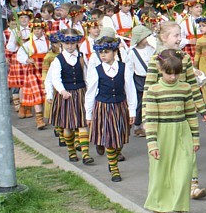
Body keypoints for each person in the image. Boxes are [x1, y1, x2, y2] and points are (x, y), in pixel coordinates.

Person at [145, 21, 206, 199]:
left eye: (180, 35)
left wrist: (202, 109)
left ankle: (193, 186)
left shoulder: (184, 58)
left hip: (182, 112)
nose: (180, 38)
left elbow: (192, 85)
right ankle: (166, 190)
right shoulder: (156, 59)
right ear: (164, 38)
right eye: (176, 35)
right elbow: (149, 88)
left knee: (189, 149)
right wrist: (146, 116)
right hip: (163, 116)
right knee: (166, 156)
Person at [143, 49, 200, 213]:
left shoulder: (185, 88)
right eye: (169, 73)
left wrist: (195, 138)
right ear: (160, 69)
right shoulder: (154, 90)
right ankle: (160, 203)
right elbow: (150, 119)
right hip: (162, 134)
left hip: (182, 132)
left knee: (183, 173)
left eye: (177, 73)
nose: (173, 77)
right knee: (161, 172)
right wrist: (152, 143)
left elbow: (191, 113)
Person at [85, 36, 138, 182]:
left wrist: (132, 110)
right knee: (109, 138)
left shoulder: (124, 68)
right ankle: (114, 168)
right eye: (100, 52)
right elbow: (90, 93)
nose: (103, 54)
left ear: (114, 52)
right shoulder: (97, 70)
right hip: (103, 106)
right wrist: (88, 114)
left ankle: (115, 156)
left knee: (120, 137)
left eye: (106, 51)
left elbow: (130, 89)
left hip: (120, 105)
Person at [46, 29, 94, 165]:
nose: (70, 46)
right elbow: (55, 78)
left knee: (83, 123)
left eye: (73, 43)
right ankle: (71, 151)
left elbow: (86, 74)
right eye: (66, 43)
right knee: (68, 125)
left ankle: (85, 154)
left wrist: (90, 90)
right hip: (66, 95)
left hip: (80, 92)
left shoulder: (81, 57)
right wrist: (61, 91)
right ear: (62, 43)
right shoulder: (58, 60)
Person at [17, 17, 52, 130]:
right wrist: (27, 60)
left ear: (43, 29)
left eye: (39, 29)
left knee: (47, 93)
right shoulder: (28, 44)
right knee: (37, 94)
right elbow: (20, 55)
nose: (37, 31)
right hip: (34, 71)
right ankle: (39, 119)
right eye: (35, 29)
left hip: (46, 70)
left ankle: (51, 116)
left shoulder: (48, 42)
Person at [126, 25, 155, 137]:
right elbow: (130, 68)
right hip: (139, 79)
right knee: (140, 103)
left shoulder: (151, 49)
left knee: (151, 102)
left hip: (150, 76)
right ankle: (138, 125)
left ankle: (149, 124)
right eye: (145, 37)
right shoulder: (132, 52)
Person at [6, 10, 33, 114]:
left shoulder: (32, 29)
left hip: (31, 57)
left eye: (26, 17)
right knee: (22, 84)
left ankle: (28, 106)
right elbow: (10, 47)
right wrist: (18, 42)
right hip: (20, 59)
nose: (23, 20)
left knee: (29, 83)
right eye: (21, 18)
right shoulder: (15, 31)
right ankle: (22, 106)